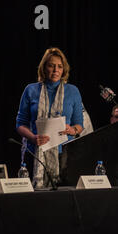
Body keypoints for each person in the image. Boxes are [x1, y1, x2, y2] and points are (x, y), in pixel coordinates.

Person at [16, 47, 84, 188]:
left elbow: (79, 125)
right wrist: (33, 138)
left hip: (64, 158)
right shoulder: (31, 90)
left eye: (59, 66)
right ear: (44, 67)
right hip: (34, 153)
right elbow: (20, 124)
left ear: (64, 69)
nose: (55, 70)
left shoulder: (73, 91)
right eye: (51, 65)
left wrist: (72, 130)